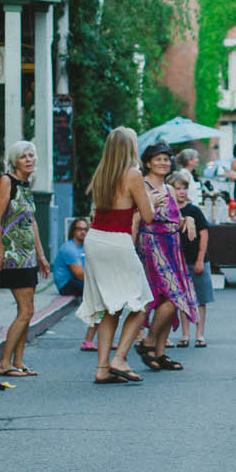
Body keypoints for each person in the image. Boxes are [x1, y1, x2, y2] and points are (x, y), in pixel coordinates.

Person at [79, 127, 155, 385]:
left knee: (110, 307)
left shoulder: (102, 173)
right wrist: (152, 199)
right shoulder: (133, 174)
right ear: (130, 148)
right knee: (142, 302)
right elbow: (147, 216)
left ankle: (102, 368)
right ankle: (120, 357)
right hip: (117, 241)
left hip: (95, 239)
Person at [0, 140, 51, 378]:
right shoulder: (7, 181)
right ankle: (5, 362)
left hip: (28, 255)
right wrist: (0, 253)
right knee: (25, 310)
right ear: (14, 160)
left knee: (29, 309)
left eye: (31, 155)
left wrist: (42, 255)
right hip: (13, 254)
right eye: (24, 156)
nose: (29, 159)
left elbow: (31, 222)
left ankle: (18, 360)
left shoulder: (26, 185)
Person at [134, 143, 194, 371]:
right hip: (151, 245)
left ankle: (159, 353)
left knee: (168, 300)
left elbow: (177, 219)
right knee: (173, 297)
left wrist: (189, 220)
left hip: (172, 246)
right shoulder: (141, 185)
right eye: (158, 159)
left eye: (166, 159)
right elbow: (137, 217)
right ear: (148, 162)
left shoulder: (169, 189)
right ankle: (148, 341)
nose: (163, 163)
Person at [169, 170, 212, 349]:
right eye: (177, 188)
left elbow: (204, 234)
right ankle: (185, 334)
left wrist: (200, 259)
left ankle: (199, 333)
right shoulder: (169, 212)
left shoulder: (193, 210)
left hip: (196, 260)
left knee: (200, 299)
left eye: (184, 188)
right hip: (177, 261)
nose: (181, 192)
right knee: (183, 300)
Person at [50, 217, 88, 297]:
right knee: (98, 291)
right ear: (74, 231)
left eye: (85, 229)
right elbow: (79, 275)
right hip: (66, 284)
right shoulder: (69, 248)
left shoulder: (84, 247)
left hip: (77, 281)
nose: (83, 232)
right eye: (80, 229)